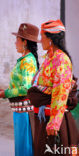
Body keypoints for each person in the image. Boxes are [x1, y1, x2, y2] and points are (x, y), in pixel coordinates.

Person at [28, 20, 79, 156]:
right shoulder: (49, 58)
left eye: (42, 36)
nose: (40, 40)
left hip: (54, 121)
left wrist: (54, 122)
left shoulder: (61, 60)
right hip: (43, 118)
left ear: (50, 39)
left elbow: (60, 92)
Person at [0, 23, 40, 156]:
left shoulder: (28, 61)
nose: (15, 42)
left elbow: (26, 88)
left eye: (17, 39)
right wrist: (7, 91)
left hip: (24, 114)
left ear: (25, 42)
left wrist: (5, 93)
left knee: (25, 150)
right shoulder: (24, 60)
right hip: (20, 111)